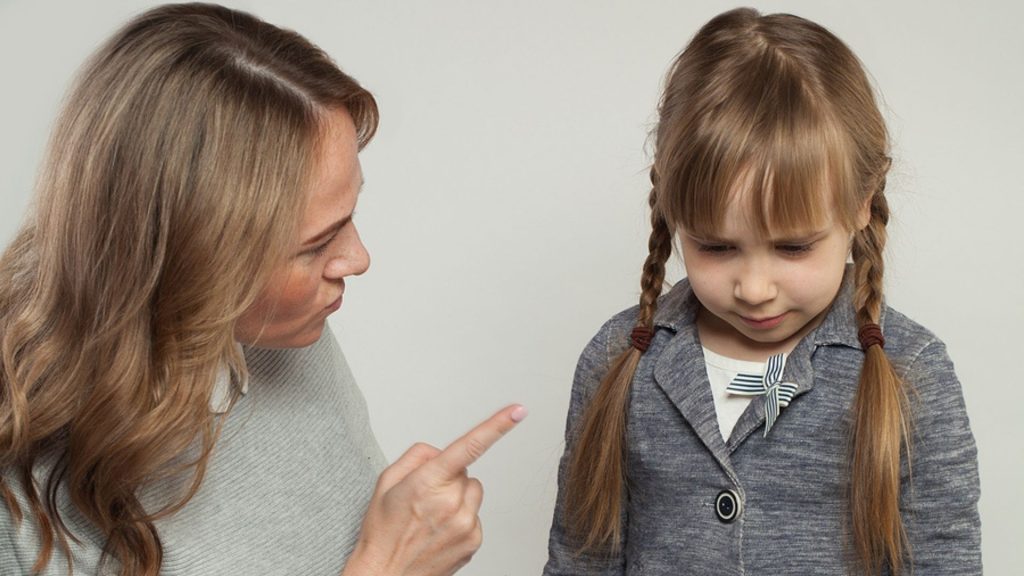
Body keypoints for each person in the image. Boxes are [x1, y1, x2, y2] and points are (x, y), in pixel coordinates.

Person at [0, 4, 525, 576]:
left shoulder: (284, 334)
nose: (357, 259)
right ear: (186, 258)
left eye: (350, 214)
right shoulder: (20, 492)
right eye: (314, 245)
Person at [544, 8, 980, 576]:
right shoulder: (619, 356)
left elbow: (945, 559)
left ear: (862, 200)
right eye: (716, 248)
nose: (753, 289)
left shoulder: (913, 371)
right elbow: (582, 559)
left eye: (793, 248)